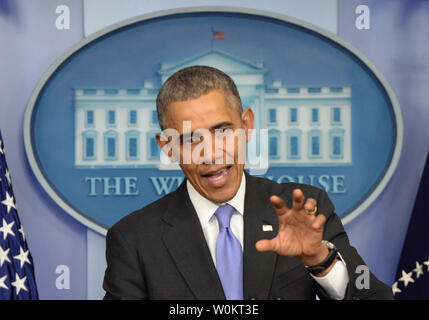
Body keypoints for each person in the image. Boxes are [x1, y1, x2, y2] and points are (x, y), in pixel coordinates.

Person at [103, 65, 393, 300]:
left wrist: (320, 258)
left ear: (247, 125)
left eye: (223, 130)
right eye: (191, 138)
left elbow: (373, 296)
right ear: (168, 146)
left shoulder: (306, 207)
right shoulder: (134, 239)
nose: (211, 153)